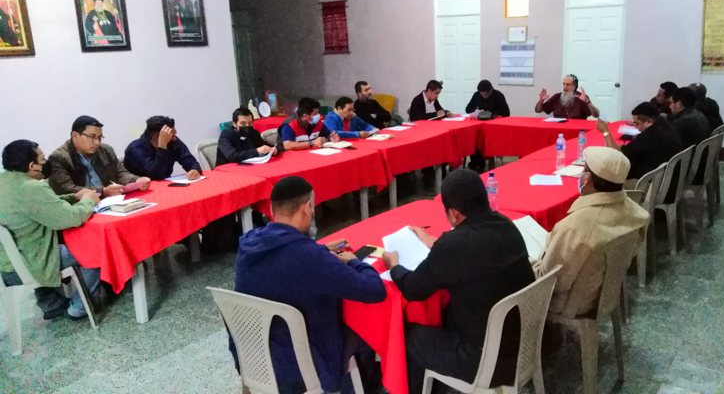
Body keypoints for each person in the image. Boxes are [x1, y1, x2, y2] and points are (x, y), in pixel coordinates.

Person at [381, 169, 535, 394]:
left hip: (484, 360)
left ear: (453, 213)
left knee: (405, 336)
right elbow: (476, 251)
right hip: (525, 341)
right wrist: (436, 243)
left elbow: (413, 289)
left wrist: (394, 266)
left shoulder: (453, 246)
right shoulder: (505, 225)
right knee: (445, 312)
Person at [231, 176, 386, 394]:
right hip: (300, 366)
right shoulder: (310, 258)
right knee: (366, 329)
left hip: (253, 356)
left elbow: (286, 259)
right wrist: (354, 261)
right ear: (307, 208)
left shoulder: (249, 242)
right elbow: (374, 290)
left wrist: (320, 250)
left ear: (273, 210)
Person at [533, 147, 648, 316]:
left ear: (586, 179)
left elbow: (549, 282)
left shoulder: (575, 227)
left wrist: (528, 262)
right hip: (605, 291)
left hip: (572, 305)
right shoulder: (636, 212)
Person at [0, 140, 102, 320]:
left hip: (8, 266)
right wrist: (89, 200)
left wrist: (74, 197)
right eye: (42, 159)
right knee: (95, 249)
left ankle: (52, 304)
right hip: (30, 264)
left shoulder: (5, 181)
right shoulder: (31, 187)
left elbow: (41, 206)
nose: (45, 163)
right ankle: (79, 308)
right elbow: (69, 218)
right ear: (32, 166)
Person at [48, 116, 150, 197]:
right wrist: (102, 191)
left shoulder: (105, 150)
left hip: (112, 200)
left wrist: (136, 180)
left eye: (99, 137)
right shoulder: (58, 158)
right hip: (82, 206)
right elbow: (66, 189)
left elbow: (120, 173)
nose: (97, 143)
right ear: (75, 135)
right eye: (92, 137)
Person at [595, 102, 683, 181]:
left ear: (649, 121)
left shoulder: (648, 136)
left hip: (649, 183)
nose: (636, 128)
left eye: (637, 123)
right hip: (668, 179)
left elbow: (619, 156)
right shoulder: (668, 126)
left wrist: (605, 131)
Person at [124, 116, 202, 181]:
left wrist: (194, 169)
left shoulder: (173, 141)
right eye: (171, 134)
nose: (175, 137)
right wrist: (162, 146)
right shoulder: (136, 148)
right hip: (142, 190)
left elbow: (189, 160)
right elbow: (156, 176)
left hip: (166, 185)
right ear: (157, 137)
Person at [535, 74, 600, 119]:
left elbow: (596, 115)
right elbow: (538, 110)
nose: (565, 87)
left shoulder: (582, 98)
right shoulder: (557, 97)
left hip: (578, 130)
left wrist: (587, 102)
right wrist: (541, 101)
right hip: (559, 130)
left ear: (574, 86)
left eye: (568, 84)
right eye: (564, 84)